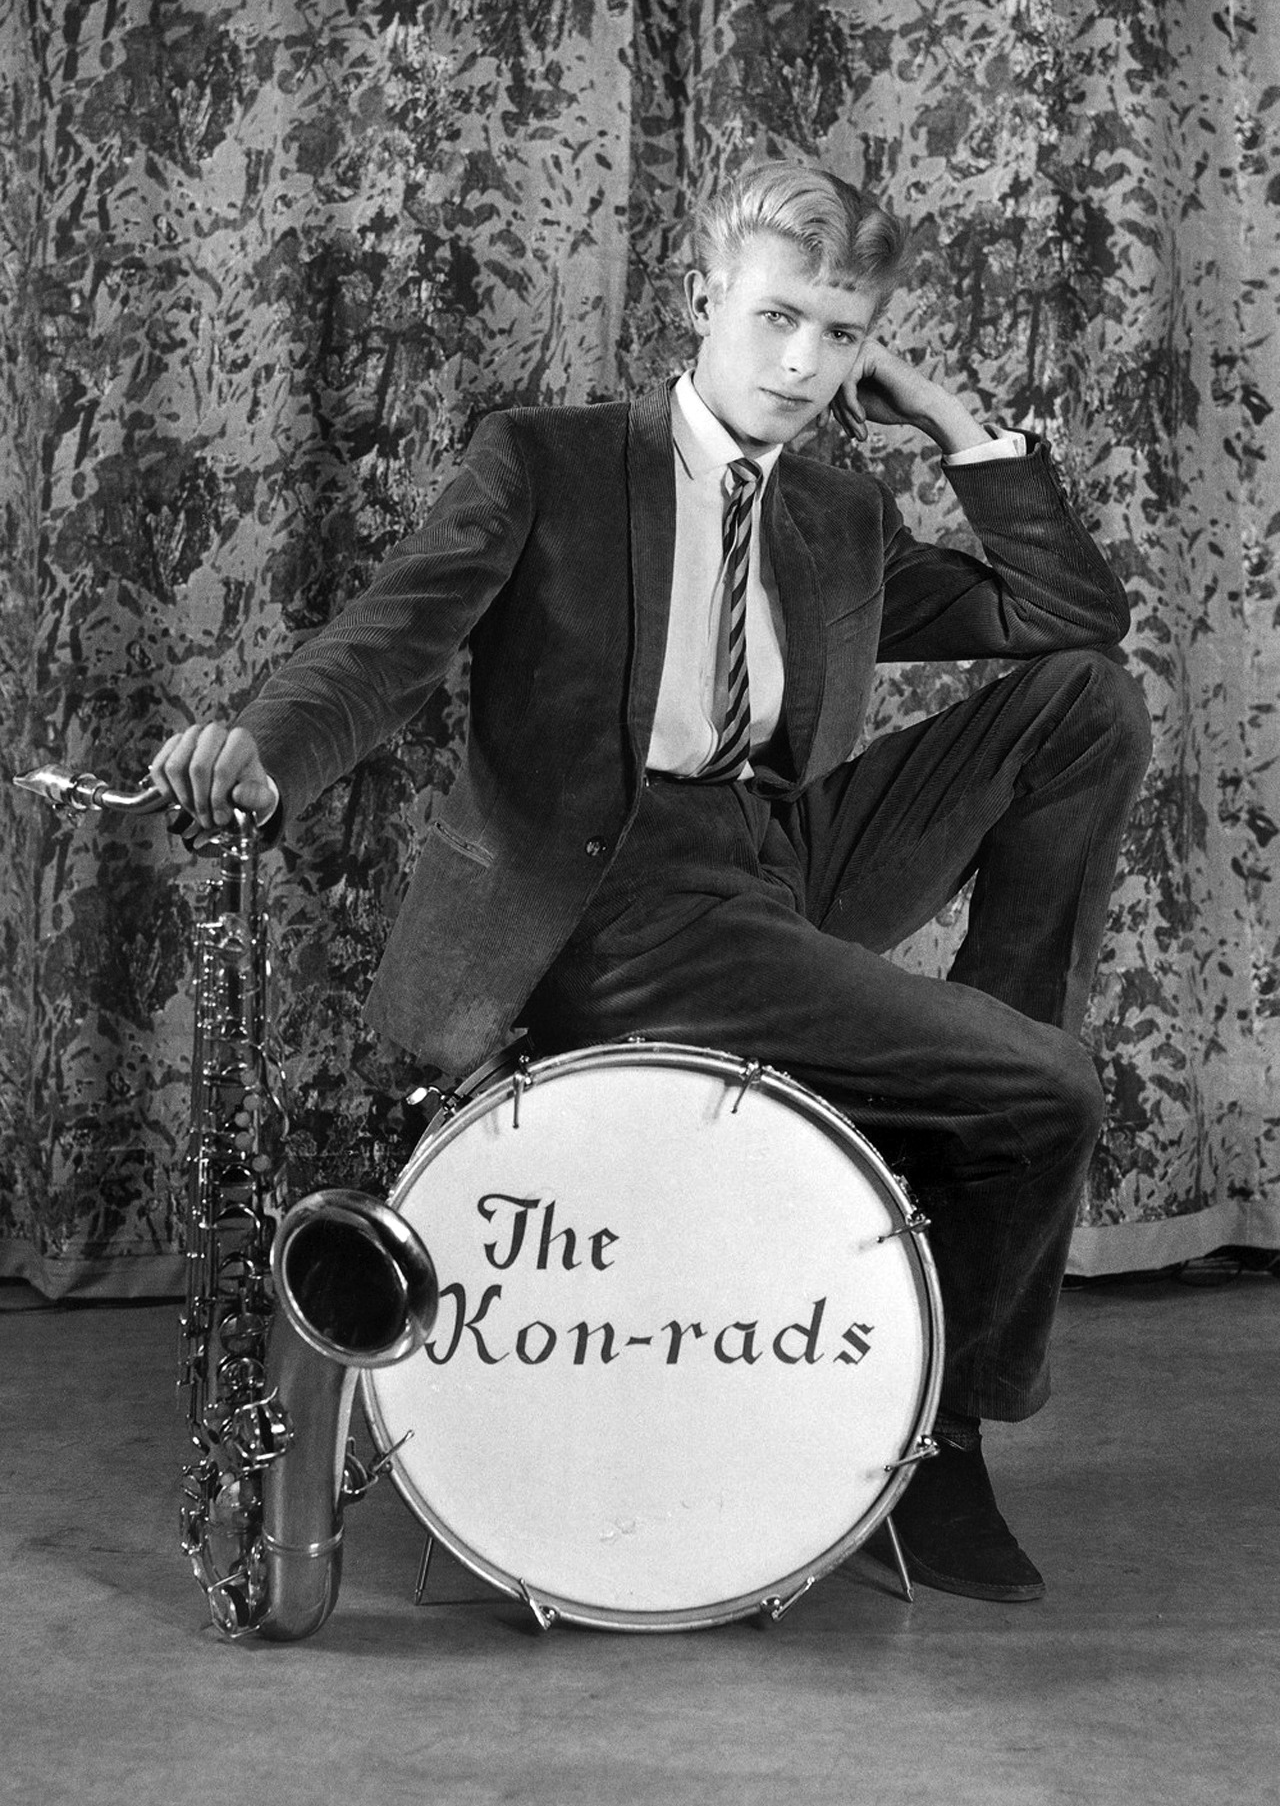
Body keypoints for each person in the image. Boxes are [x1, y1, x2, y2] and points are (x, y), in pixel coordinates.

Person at [150, 161, 1151, 1604]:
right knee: (1051, 1085)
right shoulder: (548, 463)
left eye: (843, 336)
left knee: (1087, 701)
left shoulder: (835, 514)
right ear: (703, 299)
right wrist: (263, 751)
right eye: (778, 317)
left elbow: (1065, 614)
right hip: (614, 903)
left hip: (777, 855)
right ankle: (948, 1413)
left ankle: (966, 1169)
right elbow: (388, 641)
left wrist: (945, 419)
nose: (803, 363)